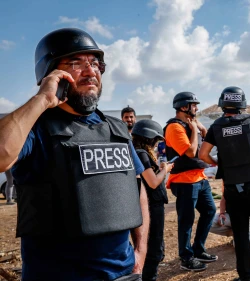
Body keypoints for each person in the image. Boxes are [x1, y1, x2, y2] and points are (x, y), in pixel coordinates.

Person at [0, 28, 149, 281]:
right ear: (51, 73)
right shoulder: (35, 128)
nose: (91, 71)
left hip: (125, 273)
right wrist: (42, 99)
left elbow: (136, 188)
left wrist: (141, 251)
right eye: (75, 63)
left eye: (95, 63)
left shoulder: (117, 128)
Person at [199, 86, 250, 281]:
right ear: (242, 104)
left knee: (241, 233)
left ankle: (246, 276)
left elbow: (203, 154)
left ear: (222, 105)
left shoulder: (216, 127)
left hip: (233, 188)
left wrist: (219, 164)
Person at [164, 92, 217, 272]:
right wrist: (195, 129)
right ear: (184, 107)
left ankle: (198, 249)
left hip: (199, 178)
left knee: (209, 211)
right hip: (184, 180)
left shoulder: (189, 123)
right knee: (186, 220)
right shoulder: (174, 127)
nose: (197, 108)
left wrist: (199, 127)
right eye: (194, 105)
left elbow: (207, 137)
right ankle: (186, 257)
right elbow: (190, 152)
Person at [132, 120, 174, 281]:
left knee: (151, 247)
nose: (157, 144)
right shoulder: (141, 153)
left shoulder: (136, 151)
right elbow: (153, 182)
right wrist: (165, 170)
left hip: (146, 205)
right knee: (153, 250)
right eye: (156, 140)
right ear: (149, 138)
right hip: (151, 206)